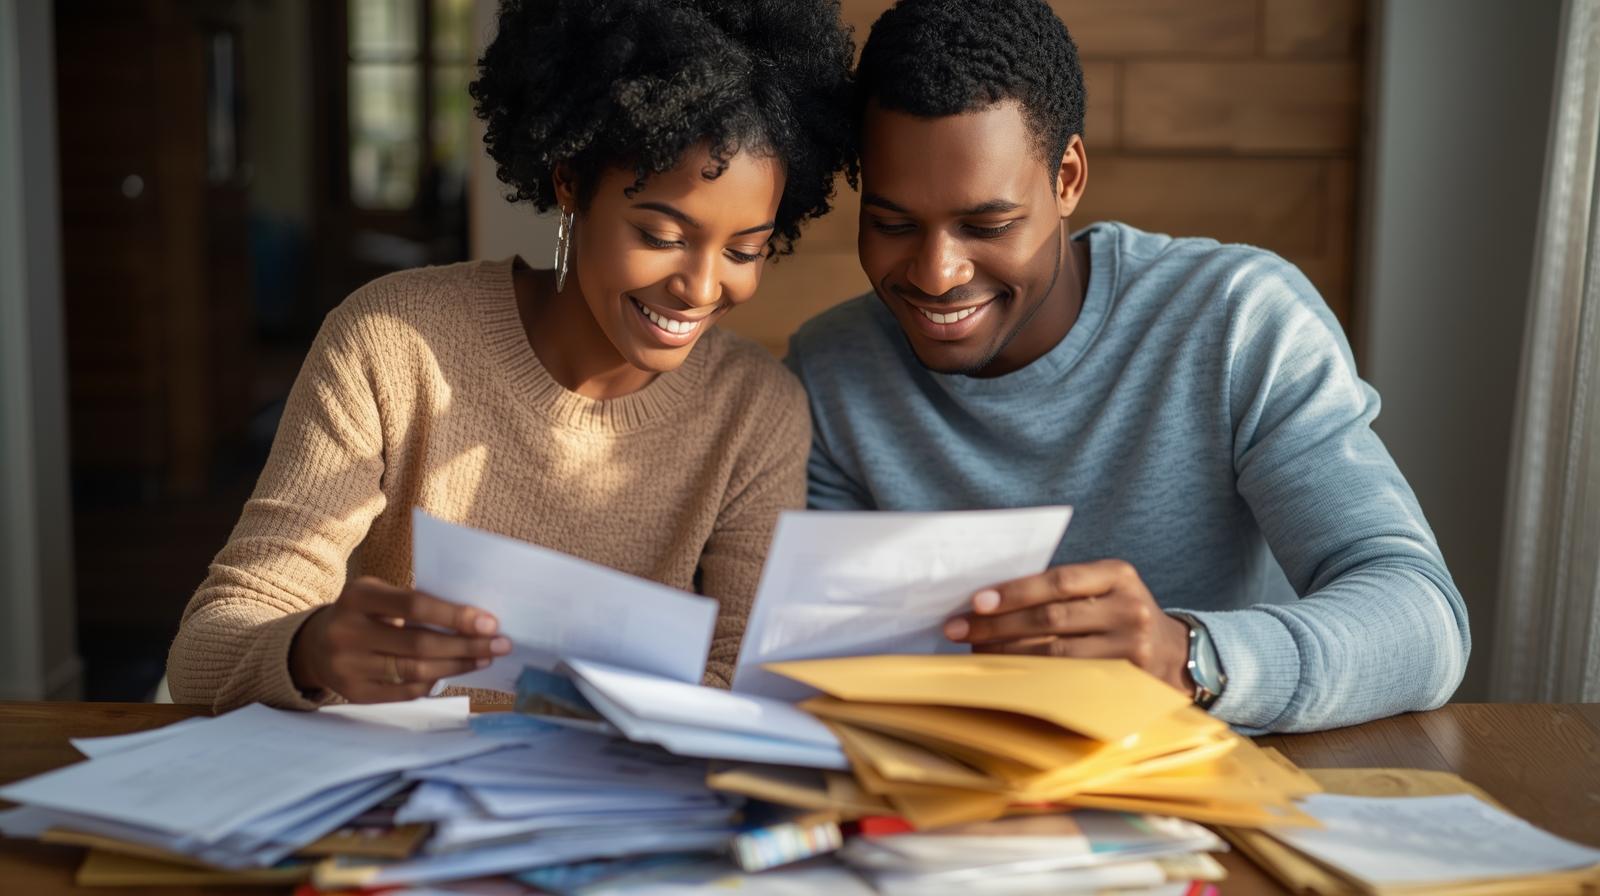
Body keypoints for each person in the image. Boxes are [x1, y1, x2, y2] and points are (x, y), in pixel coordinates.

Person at [785, 0, 1468, 733]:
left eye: (987, 226)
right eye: (892, 224)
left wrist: (1186, 657)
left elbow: (1424, 622)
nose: (938, 272)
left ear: (1068, 178)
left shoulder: (1238, 322)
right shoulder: (834, 373)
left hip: (1208, 800)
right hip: (951, 808)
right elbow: (823, 661)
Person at [168, 0, 855, 711]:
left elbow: (749, 675)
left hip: (618, 803)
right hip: (396, 800)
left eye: (746, 250)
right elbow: (208, 646)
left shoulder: (756, 409)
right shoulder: (392, 341)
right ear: (569, 182)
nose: (703, 287)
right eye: (659, 235)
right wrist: (308, 648)